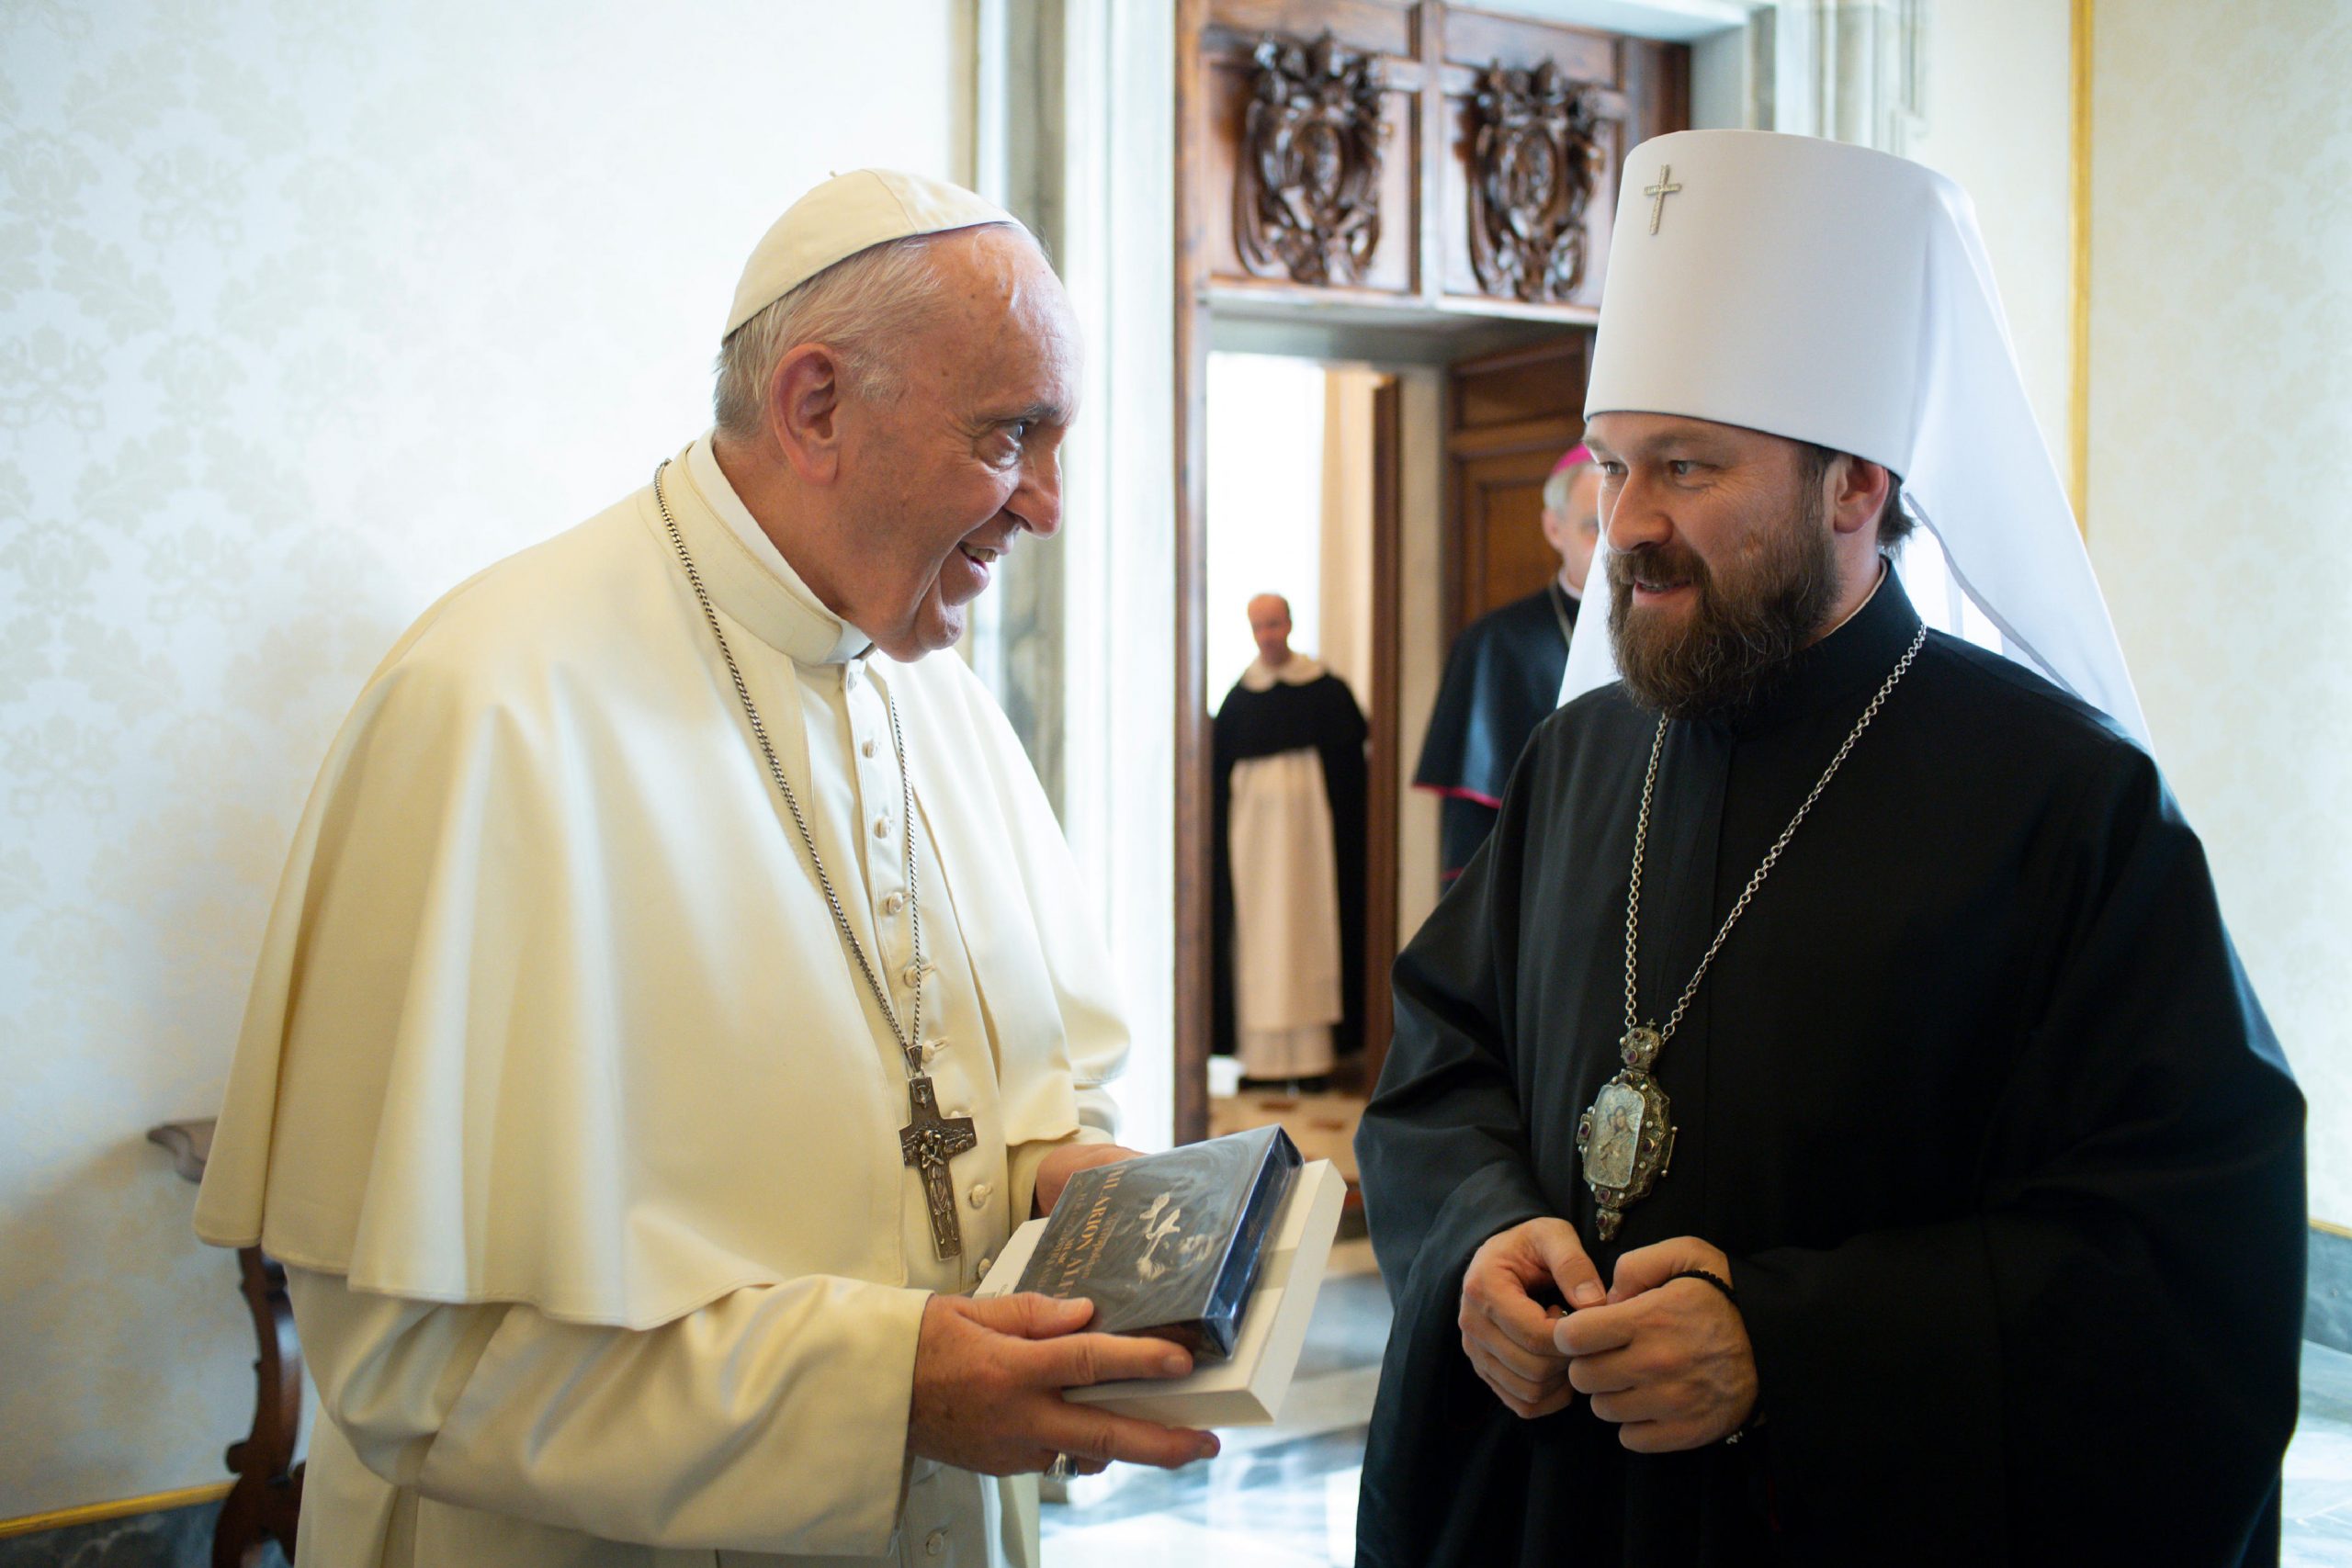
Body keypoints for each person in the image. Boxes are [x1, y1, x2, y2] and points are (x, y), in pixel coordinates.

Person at [193, 170, 1220, 1568]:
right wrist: (886, 1386)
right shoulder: (493, 703)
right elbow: (405, 1359)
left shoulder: (941, 702)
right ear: (814, 407)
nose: (1044, 502)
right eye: (1009, 436)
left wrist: (1065, 1172)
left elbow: (1020, 1088)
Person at [1355, 130, 2303, 1566]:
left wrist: (1788, 1350)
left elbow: (2182, 1261)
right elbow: (1443, 1059)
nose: (1629, 528)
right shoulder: (1586, 750)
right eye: (1614, 467)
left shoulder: (2065, 801)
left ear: (1855, 487)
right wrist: (1480, 1236)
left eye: (1686, 465)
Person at [1413, 446, 1600, 883]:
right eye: (1595, 527)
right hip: (1539, 877)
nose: (1616, 545)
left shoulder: (1677, 636)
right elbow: (1472, 835)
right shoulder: (1494, 645)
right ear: (1554, 528)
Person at [1210, 592, 1368, 1088]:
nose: (1268, 635)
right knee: (1260, 938)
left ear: (1290, 624)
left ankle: (1315, 1058)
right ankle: (1262, 1062)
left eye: (1275, 624)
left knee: (1310, 930)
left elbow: (1352, 776)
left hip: (1312, 845)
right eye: (1259, 626)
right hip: (1253, 845)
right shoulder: (1239, 699)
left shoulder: (1324, 690)